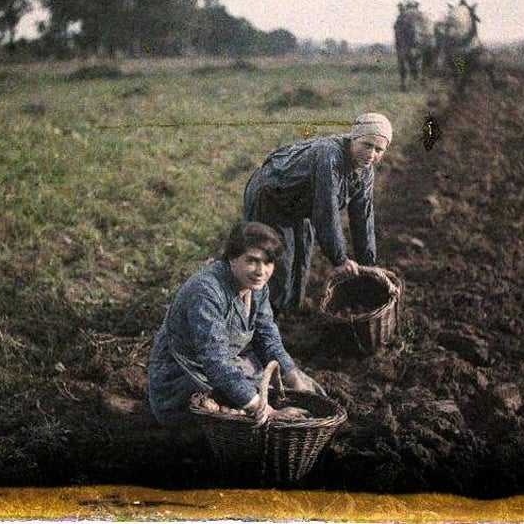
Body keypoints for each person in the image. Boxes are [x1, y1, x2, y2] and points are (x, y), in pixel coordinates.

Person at [147, 220, 319, 427]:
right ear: (231, 258)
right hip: (186, 377)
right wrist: (267, 410)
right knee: (244, 417)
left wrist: (295, 382)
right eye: (252, 261)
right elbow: (215, 360)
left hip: (229, 366)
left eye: (268, 262)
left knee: (308, 391)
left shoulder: (256, 287)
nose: (261, 271)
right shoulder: (206, 291)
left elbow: (268, 339)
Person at [243, 112, 393, 315]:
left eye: (378, 150)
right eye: (367, 145)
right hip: (271, 197)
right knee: (280, 265)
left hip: (300, 205)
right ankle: (262, 324)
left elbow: (363, 217)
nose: (371, 154)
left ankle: (286, 317)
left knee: (301, 264)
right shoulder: (330, 155)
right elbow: (326, 209)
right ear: (353, 138)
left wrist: (369, 266)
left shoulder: (365, 171)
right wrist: (340, 259)